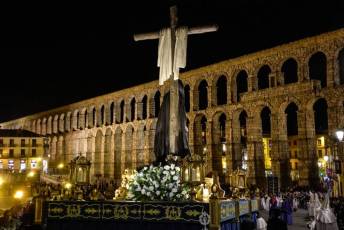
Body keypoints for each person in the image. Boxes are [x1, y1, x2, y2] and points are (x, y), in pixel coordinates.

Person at [154, 79, 190, 163]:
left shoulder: (179, 99)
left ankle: (174, 156)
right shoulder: (168, 98)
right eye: (173, 89)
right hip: (169, 130)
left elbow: (182, 117)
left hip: (176, 130)